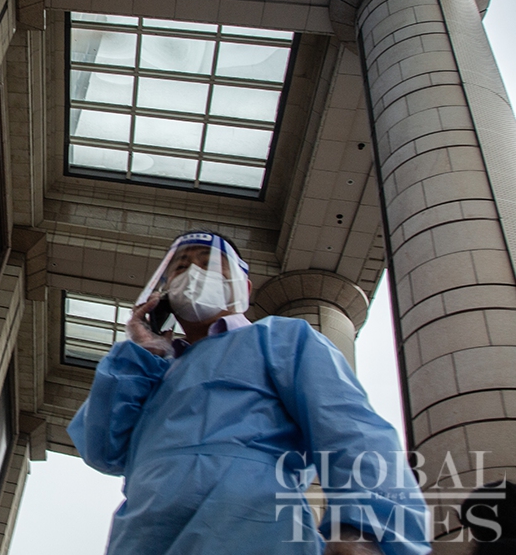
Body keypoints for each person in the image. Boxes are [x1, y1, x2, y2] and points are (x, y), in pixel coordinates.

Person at [69, 231, 430, 555]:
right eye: (180, 267)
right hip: (143, 537)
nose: (193, 274)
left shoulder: (281, 339)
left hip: (257, 530)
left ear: (243, 286)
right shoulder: (150, 372)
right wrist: (140, 353)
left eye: (209, 264)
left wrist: (365, 530)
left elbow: (351, 431)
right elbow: (102, 450)